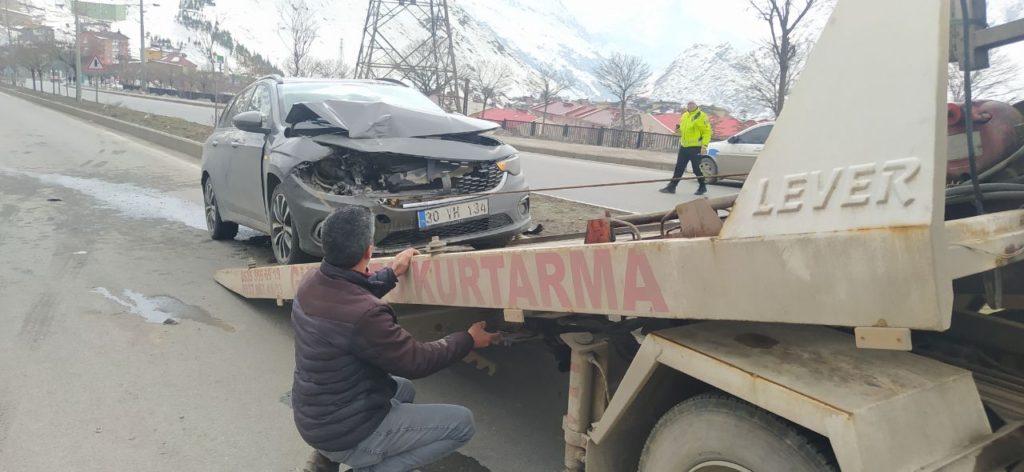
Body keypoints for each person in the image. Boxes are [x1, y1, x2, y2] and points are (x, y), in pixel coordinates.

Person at [291, 205, 501, 472]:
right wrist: (468, 339)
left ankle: (325, 459)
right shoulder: (366, 315)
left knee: (403, 390)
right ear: (369, 251)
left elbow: (350, 296)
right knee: (462, 424)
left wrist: (390, 274)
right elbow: (416, 361)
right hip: (343, 431)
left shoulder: (311, 281)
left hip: (314, 415)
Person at [660, 101, 712, 195]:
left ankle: (702, 186)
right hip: (684, 146)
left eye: (692, 104)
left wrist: (704, 146)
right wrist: (678, 131)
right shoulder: (685, 115)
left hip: (695, 147)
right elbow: (683, 131)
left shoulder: (701, 116)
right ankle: (672, 187)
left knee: (696, 168)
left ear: (696, 105)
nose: (690, 105)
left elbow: (707, 132)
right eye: (689, 104)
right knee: (679, 167)